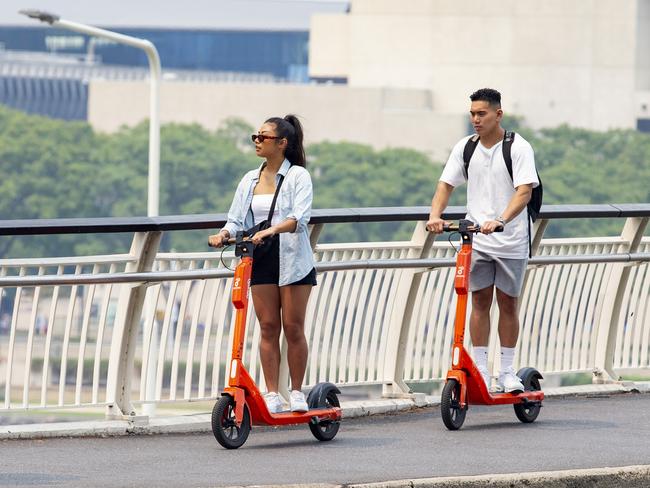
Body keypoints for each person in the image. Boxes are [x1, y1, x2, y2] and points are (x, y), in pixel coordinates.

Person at [426, 88, 539, 393]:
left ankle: (506, 371)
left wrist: (501, 219)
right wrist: (435, 215)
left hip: (510, 238)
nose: (476, 119)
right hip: (477, 239)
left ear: (498, 114)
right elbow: (445, 184)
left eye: (482, 114)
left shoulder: (517, 147)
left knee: (508, 304)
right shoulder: (466, 147)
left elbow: (524, 191)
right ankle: (479, 369)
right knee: (478, 302)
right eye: (472, 114)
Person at [208, 114, 316, 413]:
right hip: (262, 256)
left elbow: (299, 219)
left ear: (282, 143)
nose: (257, 141)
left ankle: (295, 390)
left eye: (263, 137)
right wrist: (224, 234)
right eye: (255, 136)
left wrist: (271, 229)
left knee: (293, 328)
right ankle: (271, 393)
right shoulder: (249, 179)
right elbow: (236, 218)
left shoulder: (298, 177)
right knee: (268, 327)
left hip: (293, 258)